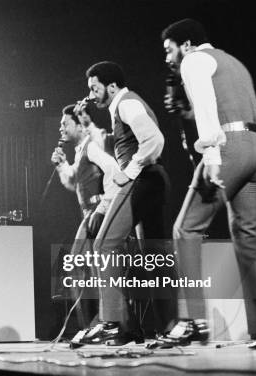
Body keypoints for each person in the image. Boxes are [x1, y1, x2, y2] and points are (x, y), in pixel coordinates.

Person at [160, 18, 256, 349]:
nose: (167, 58)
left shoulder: (192, 60)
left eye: (169, 50)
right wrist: (189, 114)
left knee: (186, 229)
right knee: (249, 235)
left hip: (228, 147)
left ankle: (193, 320)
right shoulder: (233, 62)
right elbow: (232, 106)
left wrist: (211, 156)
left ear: (186, 44)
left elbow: (208, 107)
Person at [84, 61, 170, 345]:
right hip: (154, 180)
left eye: (95, 88)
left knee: (104, 244)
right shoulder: (123, 106)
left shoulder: (126, 103)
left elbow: (155, 139)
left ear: (111, 86)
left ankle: (115, 323)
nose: (91, 94)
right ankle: (167, 328)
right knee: (154, 256)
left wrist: (129, 172)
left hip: (142, 180)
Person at [51, 102, 120, 329]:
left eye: (64, 124)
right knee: (86, 268)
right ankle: (96, 322)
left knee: (82, 265)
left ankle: (99, 322)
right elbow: (75, 182)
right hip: (90, 214)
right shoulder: (81, 149)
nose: (60, 128)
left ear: (79, 125)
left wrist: (103, 207)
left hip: (99, 212)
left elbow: (113, 170)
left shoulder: (91, 146)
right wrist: (62, 166)